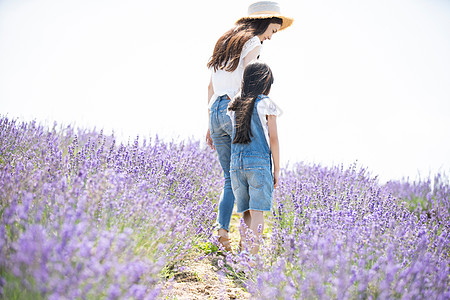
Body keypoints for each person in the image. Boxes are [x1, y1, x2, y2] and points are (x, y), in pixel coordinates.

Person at [206, 1, 293, 252]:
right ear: (264, 23)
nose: (270, 37)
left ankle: (222, 233)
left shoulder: (224, 41)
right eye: (272, 31)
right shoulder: (252, 43)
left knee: (229, 177)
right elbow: (247, 80)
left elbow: (210, 85)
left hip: (214, 110)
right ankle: (248, 247)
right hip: (236, 110)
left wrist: (209, 124)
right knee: (243, 174)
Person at [227, 60, 280, 255]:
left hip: (236, 164)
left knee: (245, 213)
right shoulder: (266, 104)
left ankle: (243, 257)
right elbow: (273, 139)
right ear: (265, 81)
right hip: (258, 164)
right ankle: (252, 259)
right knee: (258, 213)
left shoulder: (233, 105)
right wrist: (277, 169)